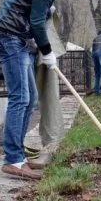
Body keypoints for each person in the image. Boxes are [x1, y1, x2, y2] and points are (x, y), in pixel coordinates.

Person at [0, 0, 80, 178]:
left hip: (16, 38)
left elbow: (34, 11)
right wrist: (47, 51)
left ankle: (18, 154)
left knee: (29, 100)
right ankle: (13, 160)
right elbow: (37, 23)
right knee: (20, 98)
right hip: (9, 39)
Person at [33, 8, 66, 151]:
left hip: (40, 48)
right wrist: (46, 51)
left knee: (45, 95)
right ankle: (15, 153)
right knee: (25, 100)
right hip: (31, 47)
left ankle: (51, 139)